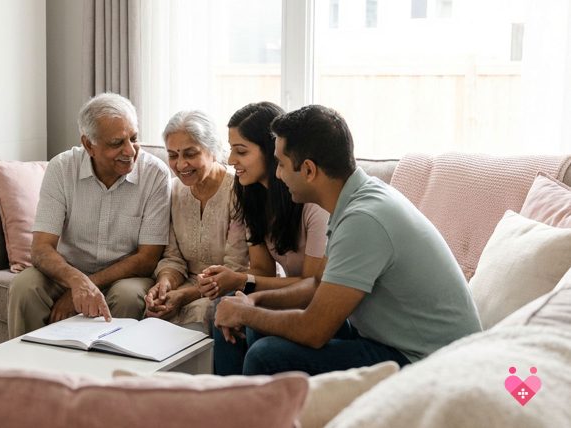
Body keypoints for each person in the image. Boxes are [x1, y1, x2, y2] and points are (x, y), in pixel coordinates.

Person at [213, 104, 482, 375]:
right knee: (257, 330)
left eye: (281, 164)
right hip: (392, 341)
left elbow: (314, 330)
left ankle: (240, 415)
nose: (279, 175)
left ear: (308, 170)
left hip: (427, 359)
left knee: (265, 355)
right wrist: (254, 303)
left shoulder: (363, 219)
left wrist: (245, 313)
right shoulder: (353, 201)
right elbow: (318, 285)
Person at [7, 93, 171, 338]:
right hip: (68, 270)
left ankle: (109, 373)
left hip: (126, 276)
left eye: (134, 138)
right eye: (117, 143)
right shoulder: (61, 168)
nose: (130, 150)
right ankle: (31, 372)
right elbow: (41, 249)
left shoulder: (155, 174)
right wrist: (76, 282)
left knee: (128, 295)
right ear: (88, 145)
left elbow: (147, 258)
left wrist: (88, 284)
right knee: (25, 285)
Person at [196, 102, 329, 301]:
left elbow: (311, 284)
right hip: (290, 292)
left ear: (272, 151)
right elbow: (263, 269)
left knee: (243, 316)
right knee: (226, 303)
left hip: (317, 300)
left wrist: (240, 281)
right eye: (231, 149)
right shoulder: (251, 195)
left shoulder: (312, 202)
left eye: (241, 151)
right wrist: (228, 279)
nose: (231, 160)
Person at [144, 111, 249, 329]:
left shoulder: (239, 192)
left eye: (190, 154)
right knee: (153, 311)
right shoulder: (172, 191)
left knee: (200, 315)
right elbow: (172, 258)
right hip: (183, 285)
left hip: (226, 288)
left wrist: (184, 295)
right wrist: (164, 284)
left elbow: (235, 267)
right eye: (173, 155)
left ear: (213, 150)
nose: (181, 165)